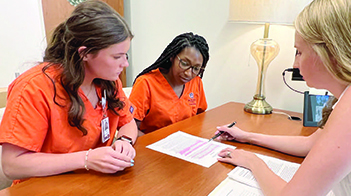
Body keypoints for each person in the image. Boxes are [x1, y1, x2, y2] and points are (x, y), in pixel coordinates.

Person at [216, 0, 351, 196]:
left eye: (299, 51)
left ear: (333, 51)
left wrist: (251, 161)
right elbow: (311, 144)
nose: (294, 63)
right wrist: (246, 136)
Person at [0, 0, 137, 184]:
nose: (125, 63)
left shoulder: (108, 82)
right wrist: (86, 159)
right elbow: (12, 165)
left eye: (125, 55)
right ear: (85, 53)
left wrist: (125, 142)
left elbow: (128, 122)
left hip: (91, 183)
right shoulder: (34, 88)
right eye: (117, 56)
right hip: (42, 192)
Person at [128, 32, 209, 136]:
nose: (189, 73)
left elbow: (200, 118)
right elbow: (130, 127)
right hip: (152, 147)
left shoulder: (196, 82)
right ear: (172, 57)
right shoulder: (146, 83)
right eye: (184, 63)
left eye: (196, 68)